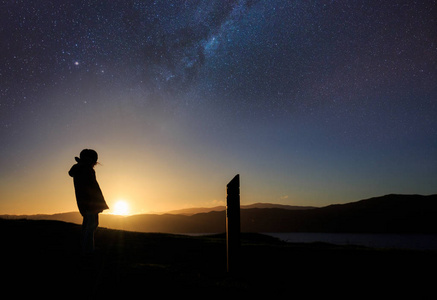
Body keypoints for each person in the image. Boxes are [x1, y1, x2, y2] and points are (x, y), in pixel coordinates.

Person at [68, 149, 109, 254]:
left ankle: (85, 247)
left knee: (89, 224)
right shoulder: (85, 169)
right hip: (90, 202)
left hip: (87, 202)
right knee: (91, 225)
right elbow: (91, 187)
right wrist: (97, 202)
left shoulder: (82, 168)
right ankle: (88, 250)